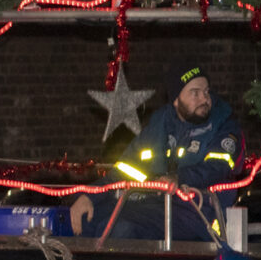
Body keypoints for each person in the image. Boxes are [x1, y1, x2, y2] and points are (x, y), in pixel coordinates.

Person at [68, 63, 243, 242]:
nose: (204, 99)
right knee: (86, 219)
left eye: (206, 92)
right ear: (176, 100)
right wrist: (90, 196)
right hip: (156, 205)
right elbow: (126, 168)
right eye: (195, 93)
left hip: (198, 213)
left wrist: (178, 178)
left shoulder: (223, 124)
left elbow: (217, 167)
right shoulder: (160, 125)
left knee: (120, 228)